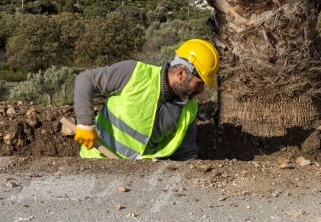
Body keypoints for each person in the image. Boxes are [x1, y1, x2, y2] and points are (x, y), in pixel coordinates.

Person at [73, 39, 219, 160]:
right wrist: (85, 123)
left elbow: (186, 154)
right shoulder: (134, 73)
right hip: (95, 164)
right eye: (199, 83)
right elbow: (86, 79)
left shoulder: (189, 110)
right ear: (181, 73)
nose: (201, 91)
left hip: (137, 182)